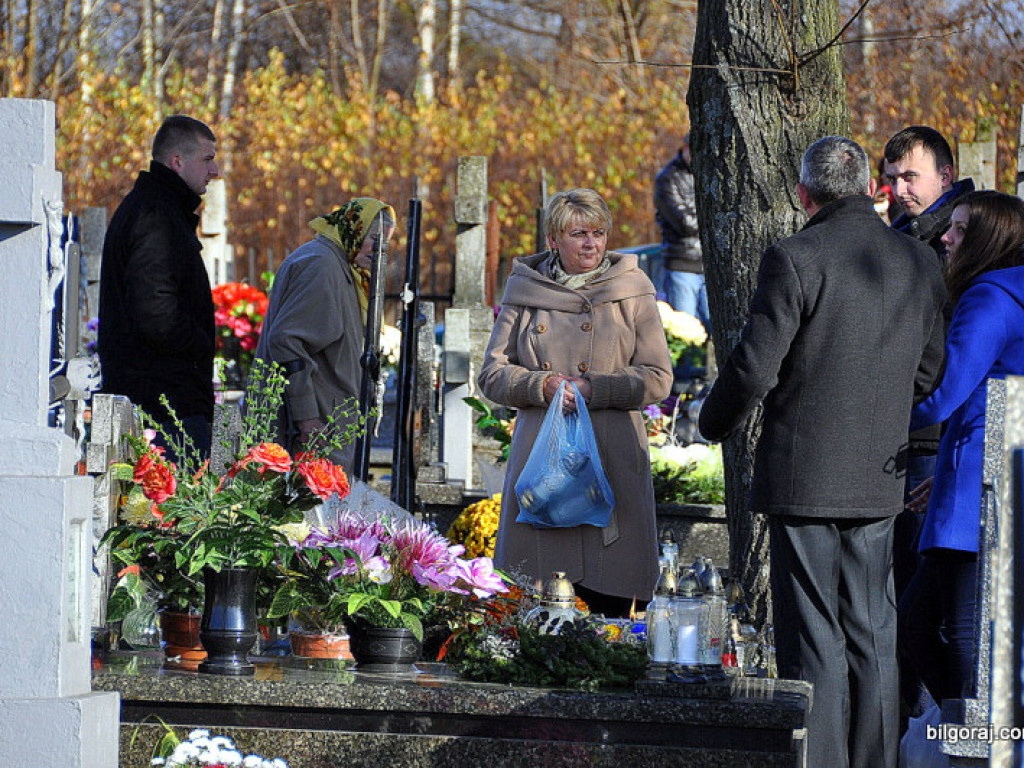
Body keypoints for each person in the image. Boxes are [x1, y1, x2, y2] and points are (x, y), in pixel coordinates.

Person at [698, 137, 946, 768]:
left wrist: (711, 422)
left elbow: (755, 367)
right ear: (870, 187)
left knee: (815, 634)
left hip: (807, 471)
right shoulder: (918, 261)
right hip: (879, 470)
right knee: (872, 628)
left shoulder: (796, 256)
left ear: (804, 195)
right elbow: (928, 372)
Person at [478, 188, 673, 618]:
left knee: (612, 601)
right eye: (578, 234)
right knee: (535, 606)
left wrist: (593, 389)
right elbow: (491, 375)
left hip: (612, 456)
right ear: (553, 241)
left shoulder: (632, 291)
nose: (591, 244)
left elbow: (658, 379)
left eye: (599, 233)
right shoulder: (525, 290)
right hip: (543, 460)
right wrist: (541, 386)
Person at [899, 190, 1024, 705]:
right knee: (932, 625)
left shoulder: (990, 296)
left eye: (961, 230)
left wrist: (877, 427)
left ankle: (980, 744)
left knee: (962, 633)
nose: (946, 238)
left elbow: (946, 393)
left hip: (979, 494)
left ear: (993, 240)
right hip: (985, 478)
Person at [882, 125, 974, 722]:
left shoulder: (955, 241)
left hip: (934, 439)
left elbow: (947, 359)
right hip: (913, 435)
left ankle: (959, 726)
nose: (898, 189)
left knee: (933, 608)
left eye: (910, 176)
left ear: (944, 176)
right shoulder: (905, 236)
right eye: (890, 178)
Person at [98, 115, 219, 462]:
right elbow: (155, 313)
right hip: (163, 407)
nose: (215, 171)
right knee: (170, 512)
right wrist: (198, 342)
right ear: (177, 161)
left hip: (165, 401)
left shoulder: (160, 209)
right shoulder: (154, 215)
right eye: (207, 160)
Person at [254, 198, 396, 474]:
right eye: (375, 239)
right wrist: (307, 420)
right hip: (312, 434)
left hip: (325, 425)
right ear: (355, 229)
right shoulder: (322, 265)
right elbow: (287, 342)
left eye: (386, 242)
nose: (380, 251)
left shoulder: (337, 264)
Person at [654, 134, 709, 330]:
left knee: (717, 331)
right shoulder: (668, 178)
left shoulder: (709, 173)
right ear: (685, 147)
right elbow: (683, 223)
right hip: (682, 266)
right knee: (685, 334)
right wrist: (712, 218)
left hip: (710, 266)